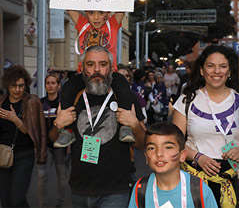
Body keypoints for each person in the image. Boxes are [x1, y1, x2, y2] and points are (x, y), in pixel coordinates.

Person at [51, 47, 145, 208]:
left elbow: (142, 144)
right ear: (82, 69)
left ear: (111, 68)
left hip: (115, 191)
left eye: (102, 64)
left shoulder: (125, 98)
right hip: (79, 189)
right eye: (90, 64)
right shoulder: (73, 97)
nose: (96, 70)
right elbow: (53, 138)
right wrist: (58, 124)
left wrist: (134, 124)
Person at [172, 45, 239, 207]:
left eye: (223, 66)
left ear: (230, 71)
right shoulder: (186, 100)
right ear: (202, 71)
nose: (217, 71)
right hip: (195, 176)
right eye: (210, 66)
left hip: (233, 177)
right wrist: (198, 157)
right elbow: (173, 143)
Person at [130, 123, 215, 208]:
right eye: (151, 148)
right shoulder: (141, 189)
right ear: (146, 157)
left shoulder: (198, 189)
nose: (159, 154)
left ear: (182, 155)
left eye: (168, 147)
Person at [0, 64, 47, 208]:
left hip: (24, 154)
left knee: (17, 198)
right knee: (6, 201)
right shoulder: (2, 102)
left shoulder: (32, 101)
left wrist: (15, 120)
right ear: (7, 85)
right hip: (3, 154)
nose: (17, 90)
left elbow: (37, 131)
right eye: (14, 86)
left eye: (21, 86)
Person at [38, 72, 69, 208]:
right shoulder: (40, 103)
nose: (50, 86)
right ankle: (42, 205)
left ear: (58, 85)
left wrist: (68, 143)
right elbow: (36, 125)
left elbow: (69, 124)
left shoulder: (64, 103)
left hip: (60, 146)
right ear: (45, 86)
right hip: (44, 146)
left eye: (53, 83)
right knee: (41, 177)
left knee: (62, 178)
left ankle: (59, 203)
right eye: (48, 83)